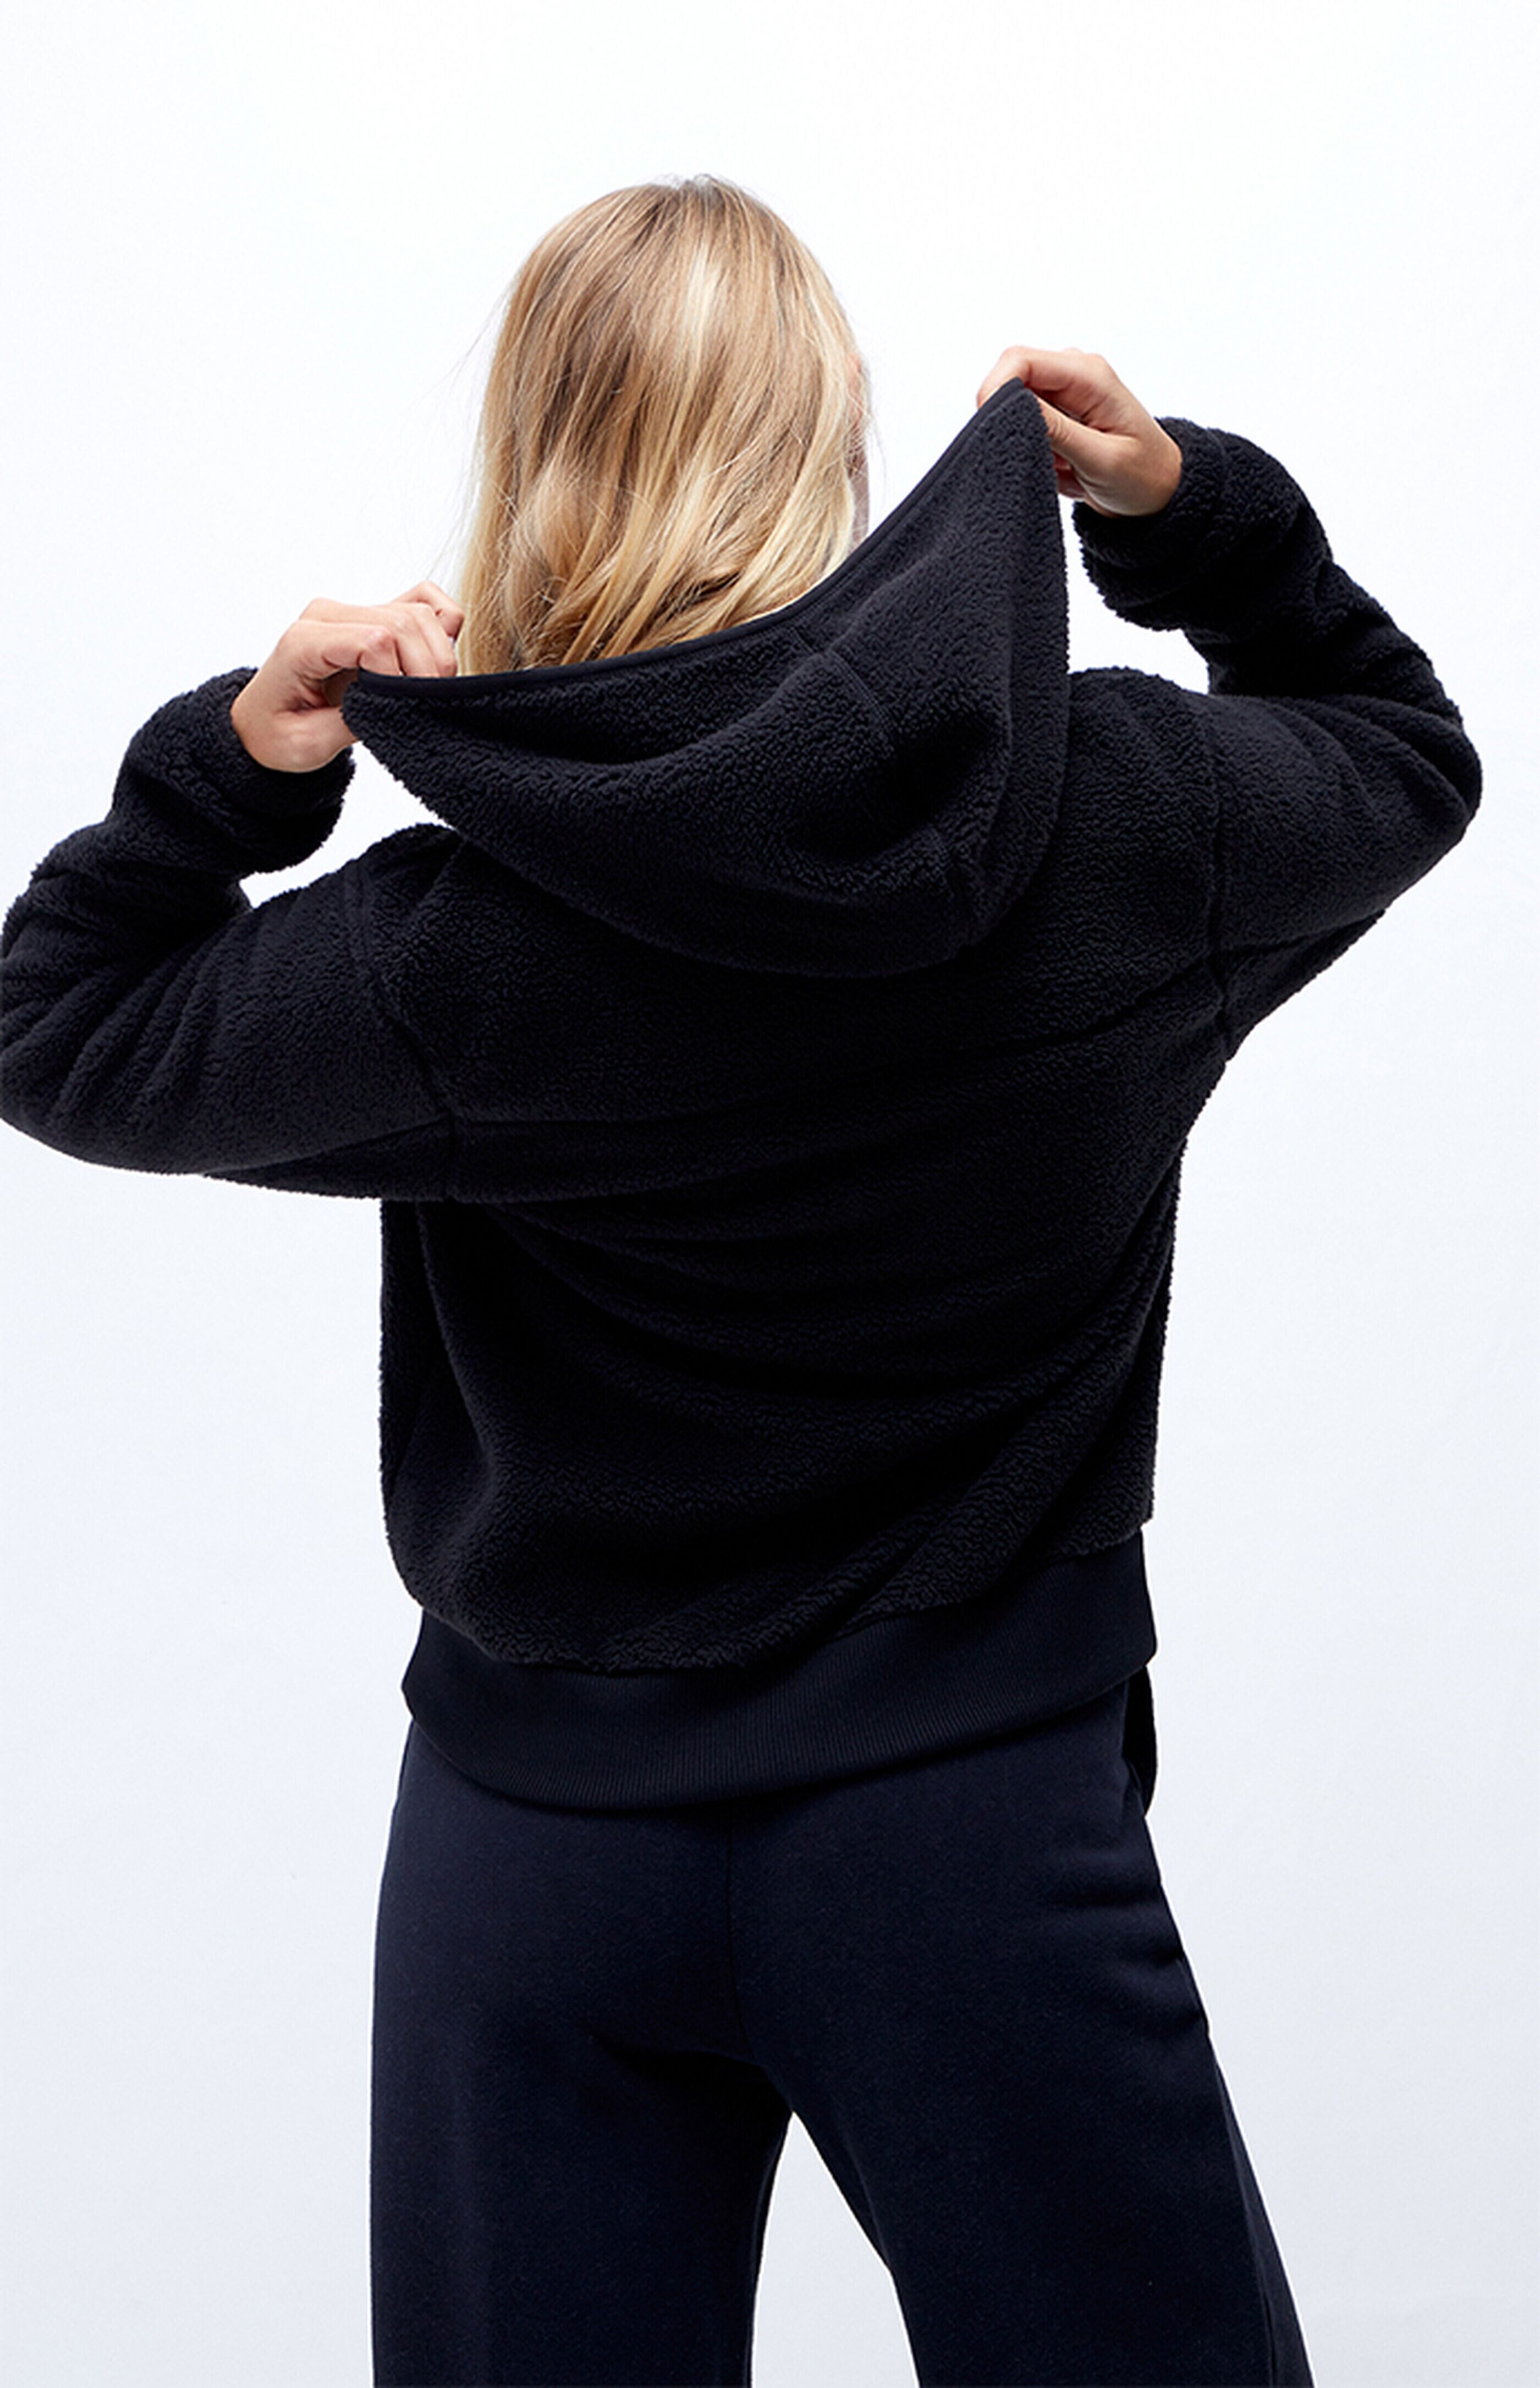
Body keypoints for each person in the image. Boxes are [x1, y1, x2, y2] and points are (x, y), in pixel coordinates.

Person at [0, 173, 1480, 2388]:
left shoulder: (453, 951)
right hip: (971, 1837)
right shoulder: (1128, 823)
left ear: (532, 460)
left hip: (532, 1856)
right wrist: (1192, 517)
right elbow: (1400, 751)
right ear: (833, 446)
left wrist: (236, 764)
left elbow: (54, 1024)